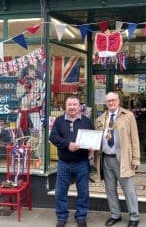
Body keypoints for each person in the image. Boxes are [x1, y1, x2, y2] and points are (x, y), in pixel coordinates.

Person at [95, 92, 140, 227]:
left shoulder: (128, 116)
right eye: (108, 101)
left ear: (118, 100)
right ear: (105, 103)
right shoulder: (101, 119)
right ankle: (115, 215)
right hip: (106, 159)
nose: (111, 103)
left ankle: (134, 217)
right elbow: (97, 139)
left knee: (129, 189)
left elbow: (135, 139)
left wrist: (136, 159)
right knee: (110, 189)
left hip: (123, 159)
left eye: (113, 100)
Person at [49, 96, 94, 227]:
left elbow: (92, 138)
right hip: (63, 163)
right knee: (60, 192)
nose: (72, 107)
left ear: (80, 106)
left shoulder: (86, 121)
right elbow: (53, 137)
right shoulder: (59, 121)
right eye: (70, 105)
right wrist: (67, 144)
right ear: (66, 106)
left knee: (83, 192)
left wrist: (92, 147)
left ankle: (81, 216)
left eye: (75, 104)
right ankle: (62, 217)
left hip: (81, 163)